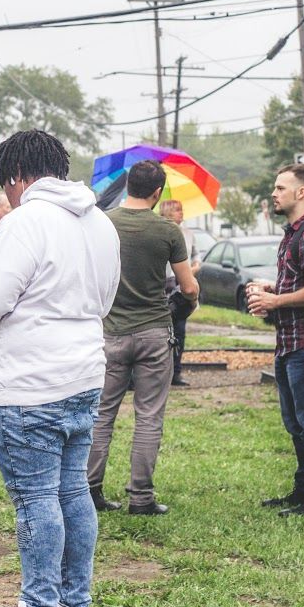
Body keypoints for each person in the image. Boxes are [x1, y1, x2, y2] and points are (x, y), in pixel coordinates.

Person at [0, 130, 120, 607]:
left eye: (7, 183)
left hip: (28, 382)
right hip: (83, 375)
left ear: (17, 175)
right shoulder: (99, 222)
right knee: (72, 493)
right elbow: (103, 297)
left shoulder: (24, 222)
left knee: (35, 500)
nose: (9, 195)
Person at [88, 161, 197, 517]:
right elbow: (188, 286)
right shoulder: (167, 230)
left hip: (111, 333)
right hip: (153, 332)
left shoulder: (102, 224)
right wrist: (188, 303)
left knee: (102, 415)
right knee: (148, 416)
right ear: (157, 193)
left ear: (128, 186)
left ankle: (90, 491)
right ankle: (141, 497)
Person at [246, 164, 304, 516]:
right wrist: (271, 287)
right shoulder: (293, 233)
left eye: (280, 188)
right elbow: (302, 281)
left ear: (302, 193)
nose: (274, 193)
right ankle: (303, 491)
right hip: (290, 343)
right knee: (296, 423)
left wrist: (275, 301)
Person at [158, 199, 202, 386]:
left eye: (182, 209)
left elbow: (196, 255)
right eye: (177, 210)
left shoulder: (188, 234)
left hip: (182, 287)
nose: (181, 213)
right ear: (167, 212)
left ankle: (176, 372)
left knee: (180, 332)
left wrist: (194, 268)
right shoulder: (160, 232)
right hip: (164, 286)